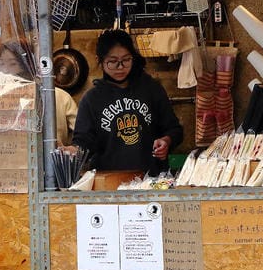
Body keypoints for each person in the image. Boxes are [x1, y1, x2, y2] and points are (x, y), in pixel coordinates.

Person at [70, 29, 183, 174]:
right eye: (113, 62)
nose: (120, 67)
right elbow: (83, 143)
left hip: (151, 179)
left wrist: (166, 141)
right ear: (100, 60)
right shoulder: (91, 99)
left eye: (126, 60)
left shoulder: (151, 89)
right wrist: (73, 150)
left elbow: (174, 129)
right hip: (108, 183)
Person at [0, 40, 78, 146]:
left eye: (13, 63)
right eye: (1, 63)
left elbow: (83, 133)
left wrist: (69, 149)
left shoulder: (59, 96)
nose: (5, 70)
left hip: (51, 159)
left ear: (28, 65)